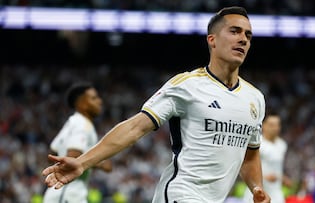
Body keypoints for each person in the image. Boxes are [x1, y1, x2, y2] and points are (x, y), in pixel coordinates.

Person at [42, 6, 271, 203]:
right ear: (212, 39)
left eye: (248, 35)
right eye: (235, 31)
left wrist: (256, 189)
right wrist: (82, 162)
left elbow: (250, 153)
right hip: (180, 194)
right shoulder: (186, 86)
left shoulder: (254, 98)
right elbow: (135, 127)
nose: (243, 39)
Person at [43, 82, 112, 203]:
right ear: (81, 103)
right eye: (94, 98)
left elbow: (52, 153)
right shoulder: (82, 124)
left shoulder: (72, 122)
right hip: (69, 193)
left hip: (59, 193)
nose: (99, 101)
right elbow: (73, 155)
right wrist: (100, 162)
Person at [242, 112, 291, 203]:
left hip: (276, 192)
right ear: (263, 125)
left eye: (277, 125)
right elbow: (246, 164)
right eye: (271, 125)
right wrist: (264, 177)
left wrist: (282, 178)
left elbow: (276, 168)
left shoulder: (282, 145)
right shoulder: (256, 143)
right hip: (257, 192)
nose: (275, 128)